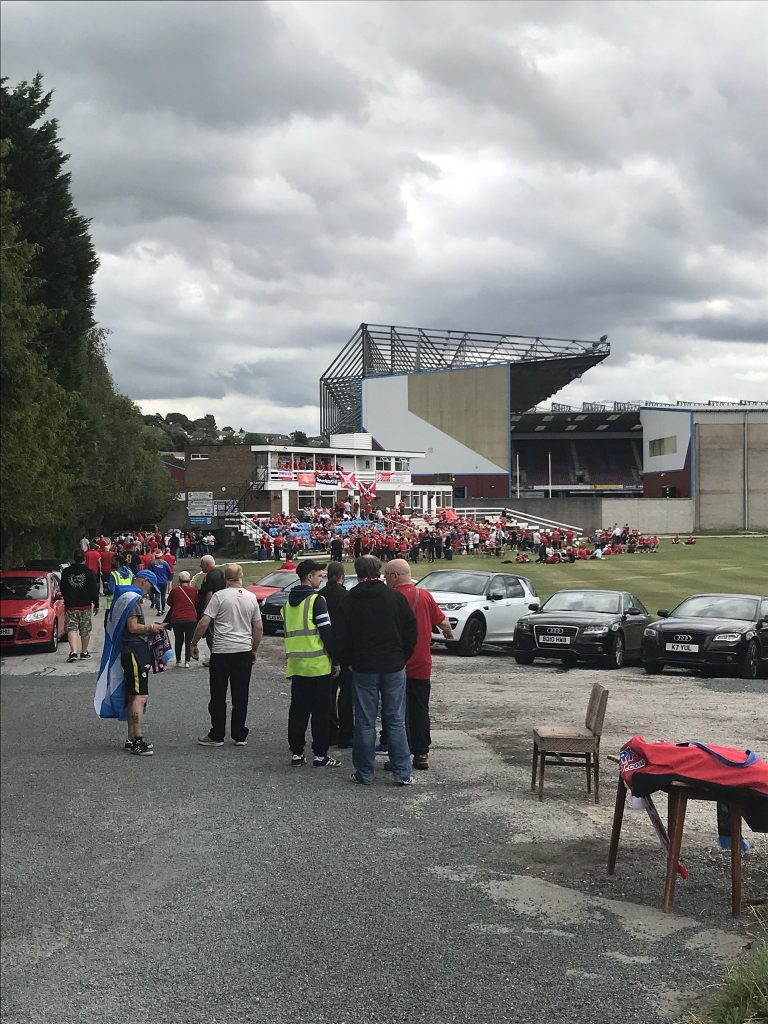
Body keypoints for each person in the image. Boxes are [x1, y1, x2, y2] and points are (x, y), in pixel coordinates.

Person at [334, 555, 417, 786]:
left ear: (358, 573)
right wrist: (403, 656)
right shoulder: (395, 598)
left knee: (365, 720)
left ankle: (365, 772)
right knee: (395, 719)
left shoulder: (349, 601)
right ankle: (402, 771)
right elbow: (411, 631)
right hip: (392, 664)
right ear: (379, 571)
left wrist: (347, 660)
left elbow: (340, 637)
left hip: (363, 666)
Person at [382, 559, 452, 771]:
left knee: (395, 713)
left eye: (386, 575)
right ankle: (421, 752)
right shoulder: (424, 595)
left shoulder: (390, 598)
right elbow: (442, 622)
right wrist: (448, 633)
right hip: (421, 663)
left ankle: (398, 755)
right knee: (420, 709)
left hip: (396, 664)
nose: (385, 579)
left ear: (395, 575)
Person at [191, 563, 263, 747]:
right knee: (241, 694)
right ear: (241, 576)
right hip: (243, 650)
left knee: (218, 694)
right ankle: (239, 733)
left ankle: (217, 733)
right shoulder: (251, 597)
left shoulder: (219, 596)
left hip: (222, 650)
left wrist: (194, 643)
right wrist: (254, 649)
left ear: (225, 578)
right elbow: (258, 627)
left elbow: (204, 622)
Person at [282, 560, 341, 768]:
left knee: (298, 711)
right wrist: (336, 660)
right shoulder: (317, 600)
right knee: (321, 713)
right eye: (319, 575)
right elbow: (326, 632)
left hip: (297, 665)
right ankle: (320, 755)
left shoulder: (288, 603)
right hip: (318, 666)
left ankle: (297, 753)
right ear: (309, 577)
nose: (321, 578)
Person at [119, 569, 166, 755]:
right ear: (143, 582)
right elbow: (132, 626)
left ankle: (131, 738)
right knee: (140, 696)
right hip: (134, 650)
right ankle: (138, 741)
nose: (148, 593)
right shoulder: (133, 598)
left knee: (133, 695)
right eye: (149, 588)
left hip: (130, 650)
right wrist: (151, 627)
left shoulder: (126, 596)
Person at [318, 561, 354, 748]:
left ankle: (330, 732)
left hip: (325, 650)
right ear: (342, 576)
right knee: (346, 696)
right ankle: (346, 734)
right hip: (345, 651)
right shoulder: (347, 596)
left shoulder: (320, 597)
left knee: (328, 696)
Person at [60, 550, 100, 662]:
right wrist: (96, 604)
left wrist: (67, 598)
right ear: (84, 559)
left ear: (74, 558)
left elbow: (62, 587)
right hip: (85, 605)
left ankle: (73, 652)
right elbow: (94, 589)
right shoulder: (89, 572)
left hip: (71, 605)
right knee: (85, 630)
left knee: (71, 629)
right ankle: (84, 651)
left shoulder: (66, 572)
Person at [196, 554, 226, 664]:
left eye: (202, 565)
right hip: (220, 607)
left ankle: (215, 659)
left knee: (210, 634)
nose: (200, 567)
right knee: (216, 633)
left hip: (212, 610)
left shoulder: (209, 576)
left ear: (207, 565)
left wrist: (206, 611)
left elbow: (209, 594)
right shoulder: (220, 573)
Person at [165, 570, 199, 667]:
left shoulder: (175, 591)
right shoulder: (193, 591)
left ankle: (178, 660)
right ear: (189, 580)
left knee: (178, 639)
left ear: (179, 580)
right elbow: (196, 603)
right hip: (191, 618)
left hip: (177, 619)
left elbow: (169, 602)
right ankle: (187, 661)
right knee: (189, 640)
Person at [104, 553, 133, 624]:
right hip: (126, 603)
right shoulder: (129, 573)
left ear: (117, 562)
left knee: (109, 626)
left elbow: (111, 590)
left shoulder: (114, 574)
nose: (111, 562)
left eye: (113, 561)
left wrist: (105, 589)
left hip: (113, 604)